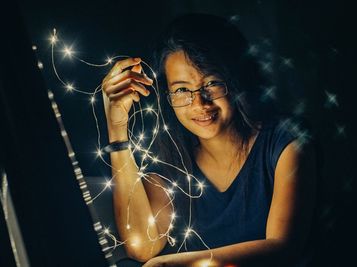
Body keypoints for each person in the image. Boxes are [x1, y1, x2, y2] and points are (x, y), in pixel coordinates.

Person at [101, 13, 317, 267]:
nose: (199, 103)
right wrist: (116, 128)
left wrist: (172, 265)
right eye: (181, 89)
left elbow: (282, 248)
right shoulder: (171, 165)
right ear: (167, 95)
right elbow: (141, 248)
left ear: (235, 80)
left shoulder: (286, 142)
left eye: (212, 83)